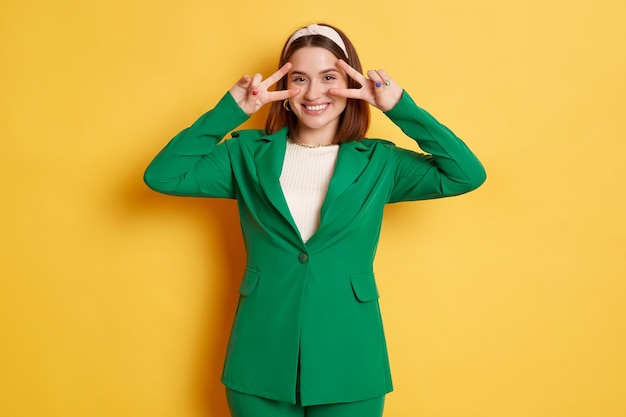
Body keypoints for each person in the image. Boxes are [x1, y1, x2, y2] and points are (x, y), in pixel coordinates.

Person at [144, 23, 486, 417]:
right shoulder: (245, 156)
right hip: (260, 355)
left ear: (352, 82)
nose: (313, 93)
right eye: (299, 79)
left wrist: (399, 108)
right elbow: (163, 176)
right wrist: (229, 113)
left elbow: (465, 173)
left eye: (329, 78)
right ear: (284, 89)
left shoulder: (380, 162)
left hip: (350, 357)